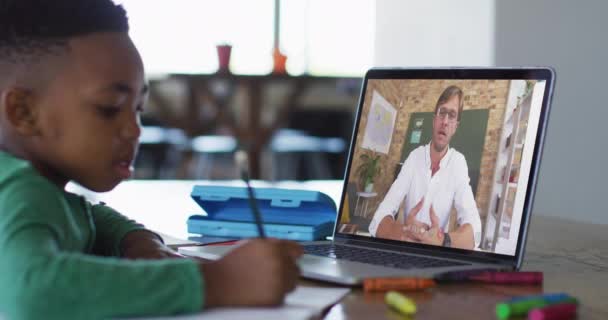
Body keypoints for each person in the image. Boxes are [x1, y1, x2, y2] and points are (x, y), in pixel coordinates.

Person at [0, 1, 302, 319]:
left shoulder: (31, 187)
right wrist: (219, 281)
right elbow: (31, 292)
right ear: (24, 112)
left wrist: (137, 241)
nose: (133, 130)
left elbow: (82, 214)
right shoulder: (21, 192)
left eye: (138, 109)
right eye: (110, 107)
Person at [368, 85, 482, 250]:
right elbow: (377, 220)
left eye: (451, 115)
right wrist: (403, 233)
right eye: (442, 113)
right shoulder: (414, 157)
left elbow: (475, 231)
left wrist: (442, 240)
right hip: (404, 247)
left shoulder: (458, 163)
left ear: (456, 126)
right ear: (434, 119)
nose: (445, 121)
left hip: (435, 251)